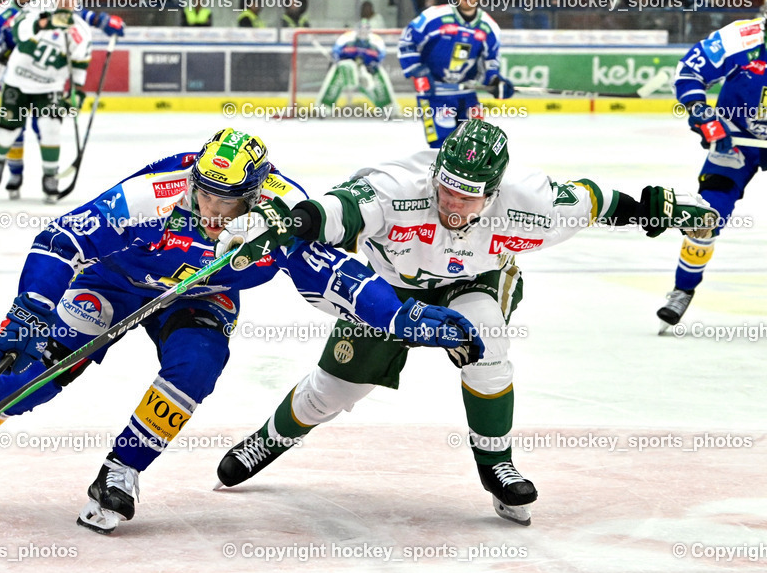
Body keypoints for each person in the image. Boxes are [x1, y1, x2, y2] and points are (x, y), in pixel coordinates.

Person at [0, 128, 483, 534]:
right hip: (114, 284)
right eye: (205, 194)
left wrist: (400, 316)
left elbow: (340, 277)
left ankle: (122, 471)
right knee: (32, 379)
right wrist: (30, 309)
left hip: (199, 294)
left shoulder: (281, 217)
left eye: (228, 202)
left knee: (197, 364)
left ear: (255, 195)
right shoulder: (151, 196)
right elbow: (60, 238)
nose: (212, 211)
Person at [213, 119, 719, 526]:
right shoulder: (398, 187)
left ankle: (496, 464)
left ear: (495, 192)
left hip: (473, 284)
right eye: (447, 190)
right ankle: (270, 438)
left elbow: (595, 201)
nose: (453, 205)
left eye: (468, 196)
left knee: (489, 347)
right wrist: (286, 223)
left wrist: (661, 209)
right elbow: (337, 209)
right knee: (333, 392)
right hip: (389, 289)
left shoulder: (532, 203)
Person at [658, 3, 767, 330]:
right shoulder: (741, 38)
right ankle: (683, 290)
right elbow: (690, 72)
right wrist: (701, 113)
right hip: (735, 140)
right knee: (705, 217)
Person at [0, 0, 125, 200]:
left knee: (50, 129)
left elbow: (79, 64)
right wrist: (44, 24)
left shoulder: (78, 29)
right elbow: (18, 35)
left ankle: (50, 177)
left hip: (49, 86)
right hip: (17, 79)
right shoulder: (34, 7)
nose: (66, 1)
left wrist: (76, 93)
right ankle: (6, 167)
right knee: (10, 130)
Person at [398, 0, 514, 147]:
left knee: (473, 145)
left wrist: (495, 82)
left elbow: (490, 63)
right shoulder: (433, 17)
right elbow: (407, 42)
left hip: (467, 95)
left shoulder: (489, 27)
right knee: (441, 148)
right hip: (434, 95)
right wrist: (417, 70)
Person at [314, 19, 397, 112]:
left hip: (367, 67)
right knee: (337, 77)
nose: (363, 32)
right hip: (348, 66)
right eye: (361, 29)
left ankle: (389, 108)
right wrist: (337, 59)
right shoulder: (346, 37)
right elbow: (336, 51)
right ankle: (324, 107)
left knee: (379, 78)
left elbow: (381, 56)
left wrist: (374, 64)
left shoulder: (376, 40)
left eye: (366, 29)